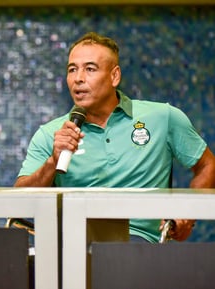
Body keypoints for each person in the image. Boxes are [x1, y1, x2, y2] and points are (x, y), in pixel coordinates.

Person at [14, 32, 215, 243]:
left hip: (140, 245)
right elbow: (19, 202)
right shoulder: (51, 133)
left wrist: (187, 214)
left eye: (90, 69)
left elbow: (207, 165)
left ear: (114, 76)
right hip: (74, 245)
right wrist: (52, 162)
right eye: (72, 69)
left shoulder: (162, 117)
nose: (78, 78)